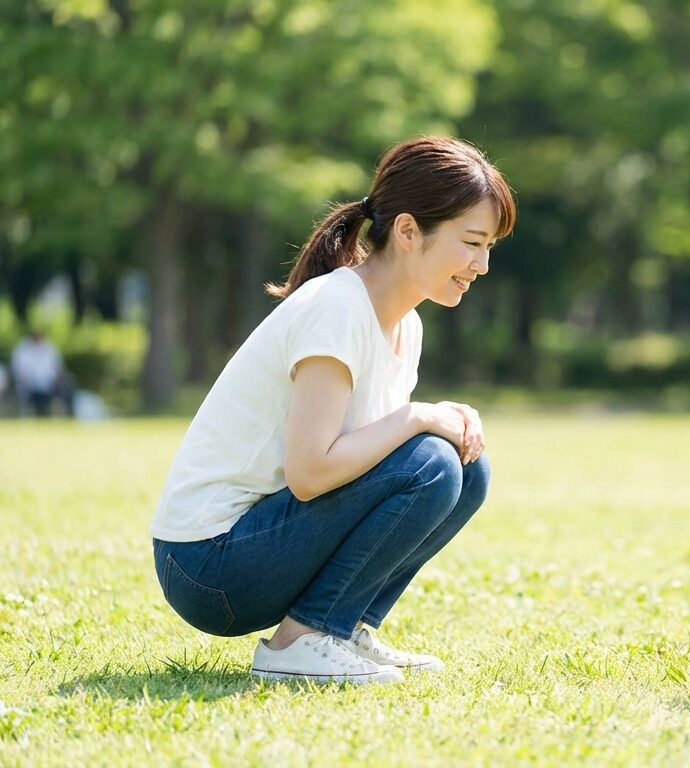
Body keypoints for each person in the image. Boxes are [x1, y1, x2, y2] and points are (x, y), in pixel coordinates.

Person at [150, 137, 516, 684]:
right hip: (208, 565)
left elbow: (370, 465)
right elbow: (310, 471)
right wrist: (417, 416)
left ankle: (341, 629)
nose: (482, 264)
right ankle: (301, 641)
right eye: (472, 242)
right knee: (432, 463)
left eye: (489, 246)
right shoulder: (337, 307)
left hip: (256, 545)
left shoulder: (405, 325)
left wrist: (437, 422)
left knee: (465, 465)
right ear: (409, 231)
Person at [9, 329, 71, 417]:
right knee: (23, 388)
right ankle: (26, 410)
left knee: (66, 383)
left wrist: (59, 377)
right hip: (30, 383)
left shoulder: (49, 348)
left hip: (49, 382)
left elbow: (57, 366)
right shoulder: (23, 349)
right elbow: (19, 369)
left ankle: (62, 410)